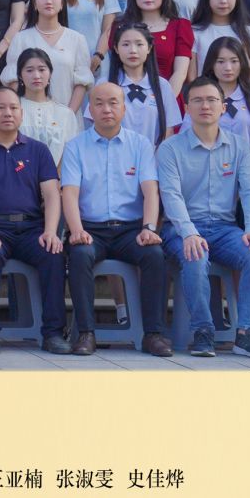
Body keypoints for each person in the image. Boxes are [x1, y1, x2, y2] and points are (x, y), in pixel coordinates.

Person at [159, 75, 250, 358]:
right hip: (181, 229)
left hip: (225, 229)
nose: (205, 106)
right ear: (187, 108)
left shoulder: (239, 146)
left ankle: (247, 333)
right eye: (197, 100)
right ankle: (203, 330)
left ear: (223, 107)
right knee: (195, 255)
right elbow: (171, 196)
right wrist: (189, 233)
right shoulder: (170, 148)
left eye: (212, 100)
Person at [59, 81, 174, 357]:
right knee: (80, 254)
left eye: (113, 103)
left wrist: (149, 228)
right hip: (91, 229)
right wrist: (76, 230)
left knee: (155, 255)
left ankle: (153, 334)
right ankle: (86, 333)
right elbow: (69, 193)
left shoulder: (140, 144)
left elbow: (150, 191)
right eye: (99, 103)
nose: (107, 109)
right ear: (90, 109)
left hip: (130, 230)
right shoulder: (75, 146)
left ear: (124, 108)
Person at [0, 84, 68, 355]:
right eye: (0, 108)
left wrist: (51, 231)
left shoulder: (38, 150)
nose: (8, 113)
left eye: (13, 108)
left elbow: (52, 194)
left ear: (21, 113)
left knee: (53, 253)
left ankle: (53, 333)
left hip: (32, 227)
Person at [2, 0, 93, 111]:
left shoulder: (77, 39)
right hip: (29, 115)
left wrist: (68, 115)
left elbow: (81, 83)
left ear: (62, 4)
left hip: (68, 114)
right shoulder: (20, 39)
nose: (48, 1)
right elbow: (13, 80)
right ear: (34, 4)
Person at [95, 22, 183, 147]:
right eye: (126, 44)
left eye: (139, 44)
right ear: (116, 48)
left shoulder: (162, 86)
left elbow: (169, 130)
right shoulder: (104, 84)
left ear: (149, 48)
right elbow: (97, 127)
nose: (133, 50)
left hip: (153, 157)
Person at [115, 0, 196, 96]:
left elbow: (180, 73)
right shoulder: (120, 26)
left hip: (169, 96)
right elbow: (115, 69)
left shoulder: (180, 26)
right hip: (127, 98)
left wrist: (162, 101)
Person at [201, 37, 250, 152]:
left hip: (246, 162)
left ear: (242, 64)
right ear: (212, 64)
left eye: (234, 61)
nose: (228, 68)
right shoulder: (200, 99)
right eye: (221, 61)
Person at [14, 47, 82, 165]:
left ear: (50, 73)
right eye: (29, 70)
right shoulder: (11, 110)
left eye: (41, 70)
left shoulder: (65, 114)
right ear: (20, 75)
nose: (36, 75)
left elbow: (71, 155)